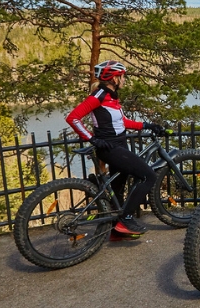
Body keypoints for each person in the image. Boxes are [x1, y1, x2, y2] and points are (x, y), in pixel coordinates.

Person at [66, 60, 167, 239]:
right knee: (148, 176)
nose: (124, 80)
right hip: (110, 148)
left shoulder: (112, 97)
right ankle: (125, 219)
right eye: (123, 77)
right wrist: (92, 139)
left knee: (118, 188)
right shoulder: (99, 96)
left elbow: (122, 122)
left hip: (119, 145)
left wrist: (146, 125)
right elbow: (73, 118)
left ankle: (116, 231)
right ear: (114, 78)